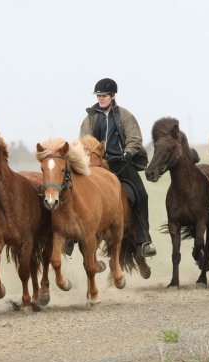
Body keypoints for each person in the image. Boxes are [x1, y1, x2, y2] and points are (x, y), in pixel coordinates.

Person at [78, 78, 156, 258]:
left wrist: (128, 153)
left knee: (141, 195)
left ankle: (143, 240)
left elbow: (134, 138)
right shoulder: (90, 118)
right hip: (96, 165)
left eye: (104, 95)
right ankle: (71, 238)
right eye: (98, 95)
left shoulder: (124, 115)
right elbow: (84, 141)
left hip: (121, 162)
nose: (100, 98)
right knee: (76, 191)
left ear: (113, 96)